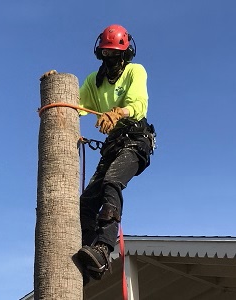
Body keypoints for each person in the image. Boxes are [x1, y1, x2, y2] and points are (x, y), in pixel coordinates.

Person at [40, 24, 156, 284]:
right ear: (100, 53)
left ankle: (104, 249)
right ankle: (88, 256)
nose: (111, 60)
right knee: (87, 202)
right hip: (113, 145)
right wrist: (57, 87)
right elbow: (78, 106)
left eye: (116, 55)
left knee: (111, 182)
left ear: (125, 54)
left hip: (136, 140)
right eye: (106, 54)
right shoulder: (95, 80)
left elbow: (139, 103)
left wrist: (118, 112)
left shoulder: (135, 71)